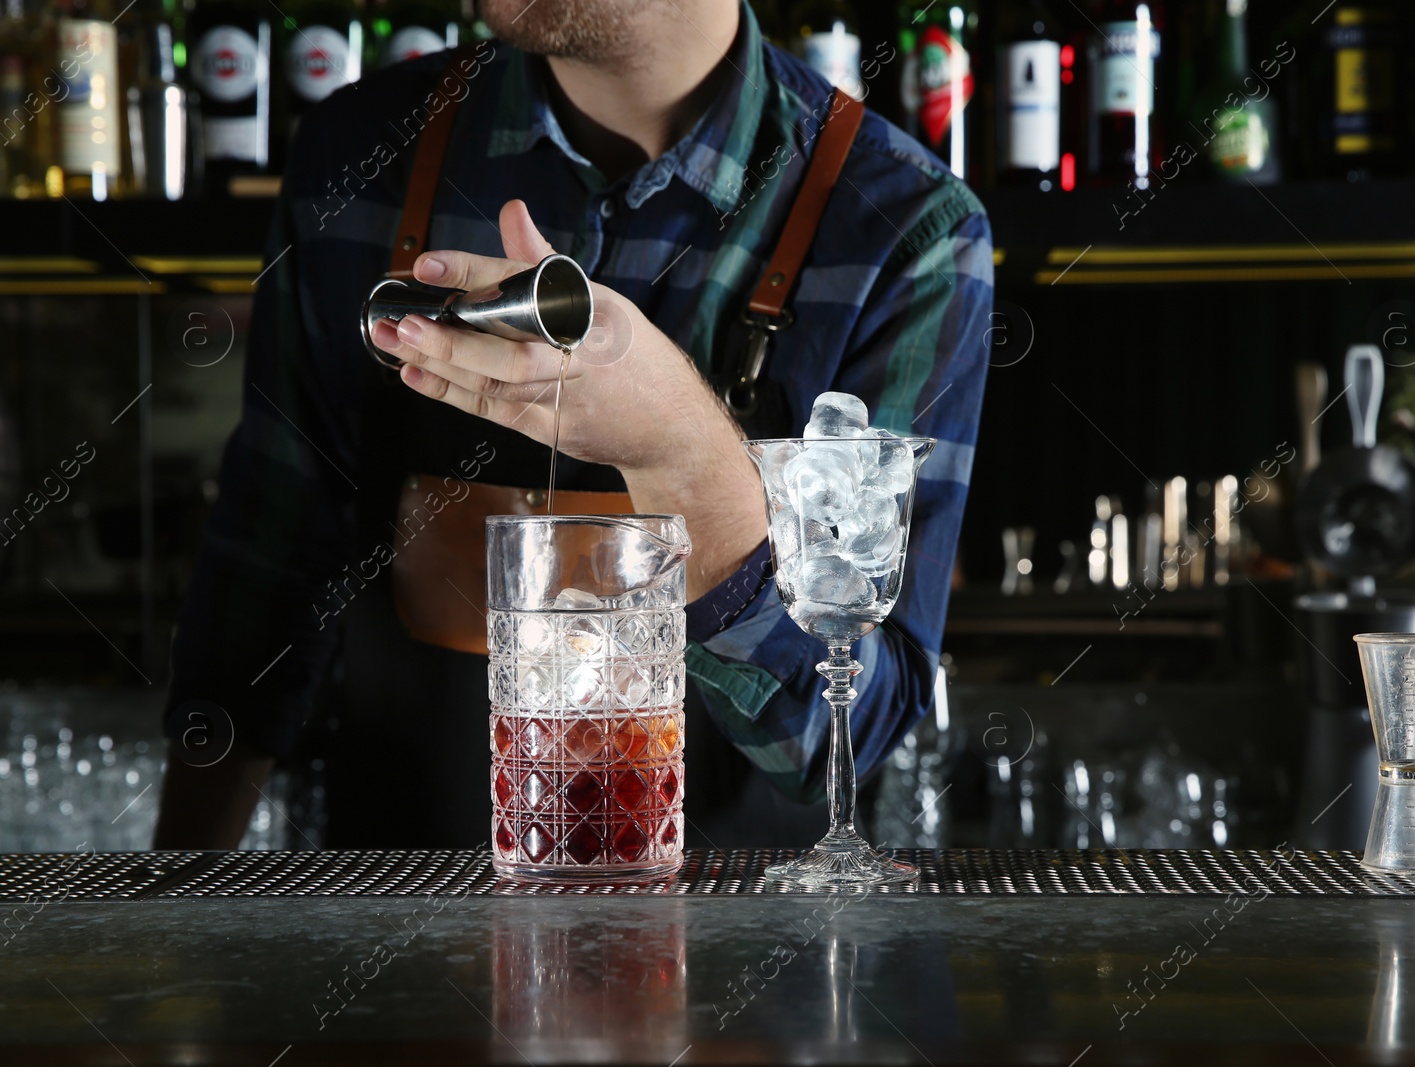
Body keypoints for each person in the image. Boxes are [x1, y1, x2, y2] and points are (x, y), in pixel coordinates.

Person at [153, 0, 992, 850]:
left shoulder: (906, 229)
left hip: (746, 956)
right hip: (398, 943)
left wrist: (684, 453)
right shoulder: (362, 151)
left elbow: (845, 733)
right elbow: (265, 574)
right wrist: (178, 913)